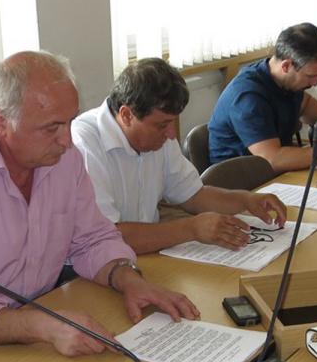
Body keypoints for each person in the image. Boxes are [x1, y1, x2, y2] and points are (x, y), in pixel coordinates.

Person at [0, 51, 199, 357]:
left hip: (38, 317)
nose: (67, 140)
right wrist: (44, 326)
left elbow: (92, 239)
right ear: (0, 121)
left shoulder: (62, 157)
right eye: (51, 127)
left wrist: (128, 278)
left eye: (70, 122)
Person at [72, 57, 288, 254]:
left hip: (144, 253)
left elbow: (193, 195)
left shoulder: (158, 136)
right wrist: (191, 228)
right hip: (91, 266)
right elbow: (106, 237)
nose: (171, 134)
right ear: (126, 115)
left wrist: (246, 200)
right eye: (162, 125)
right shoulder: (84, 145)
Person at [207, 23, 317, 170]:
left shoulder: (283, 80)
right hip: (245, 181)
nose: (315, 83)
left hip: (276, 174)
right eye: (310, 76)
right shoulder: (248, 98)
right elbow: (273, 159)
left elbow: (306, 103)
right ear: (286, 66)